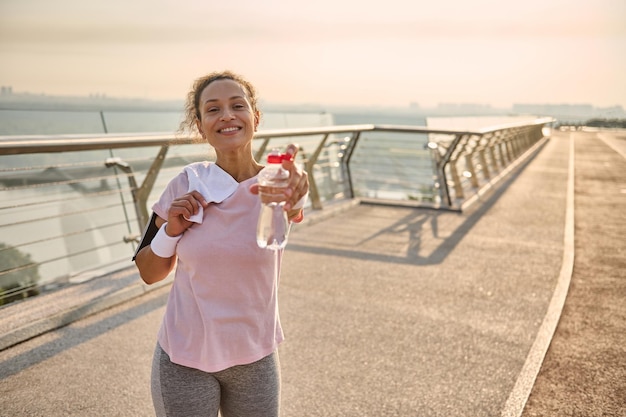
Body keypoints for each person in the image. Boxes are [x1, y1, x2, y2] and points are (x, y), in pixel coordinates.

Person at [133, 70, 309, 417]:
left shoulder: (275, 185)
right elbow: (148, 272)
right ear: (201, 126)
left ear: (255, 118)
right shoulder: (186, 183)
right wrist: (171, 230)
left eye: (236, 105)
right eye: (213, 109)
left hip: (255, 360)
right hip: (184, 359)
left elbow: (293, 204)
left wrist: (296, 190)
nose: (227, 115)